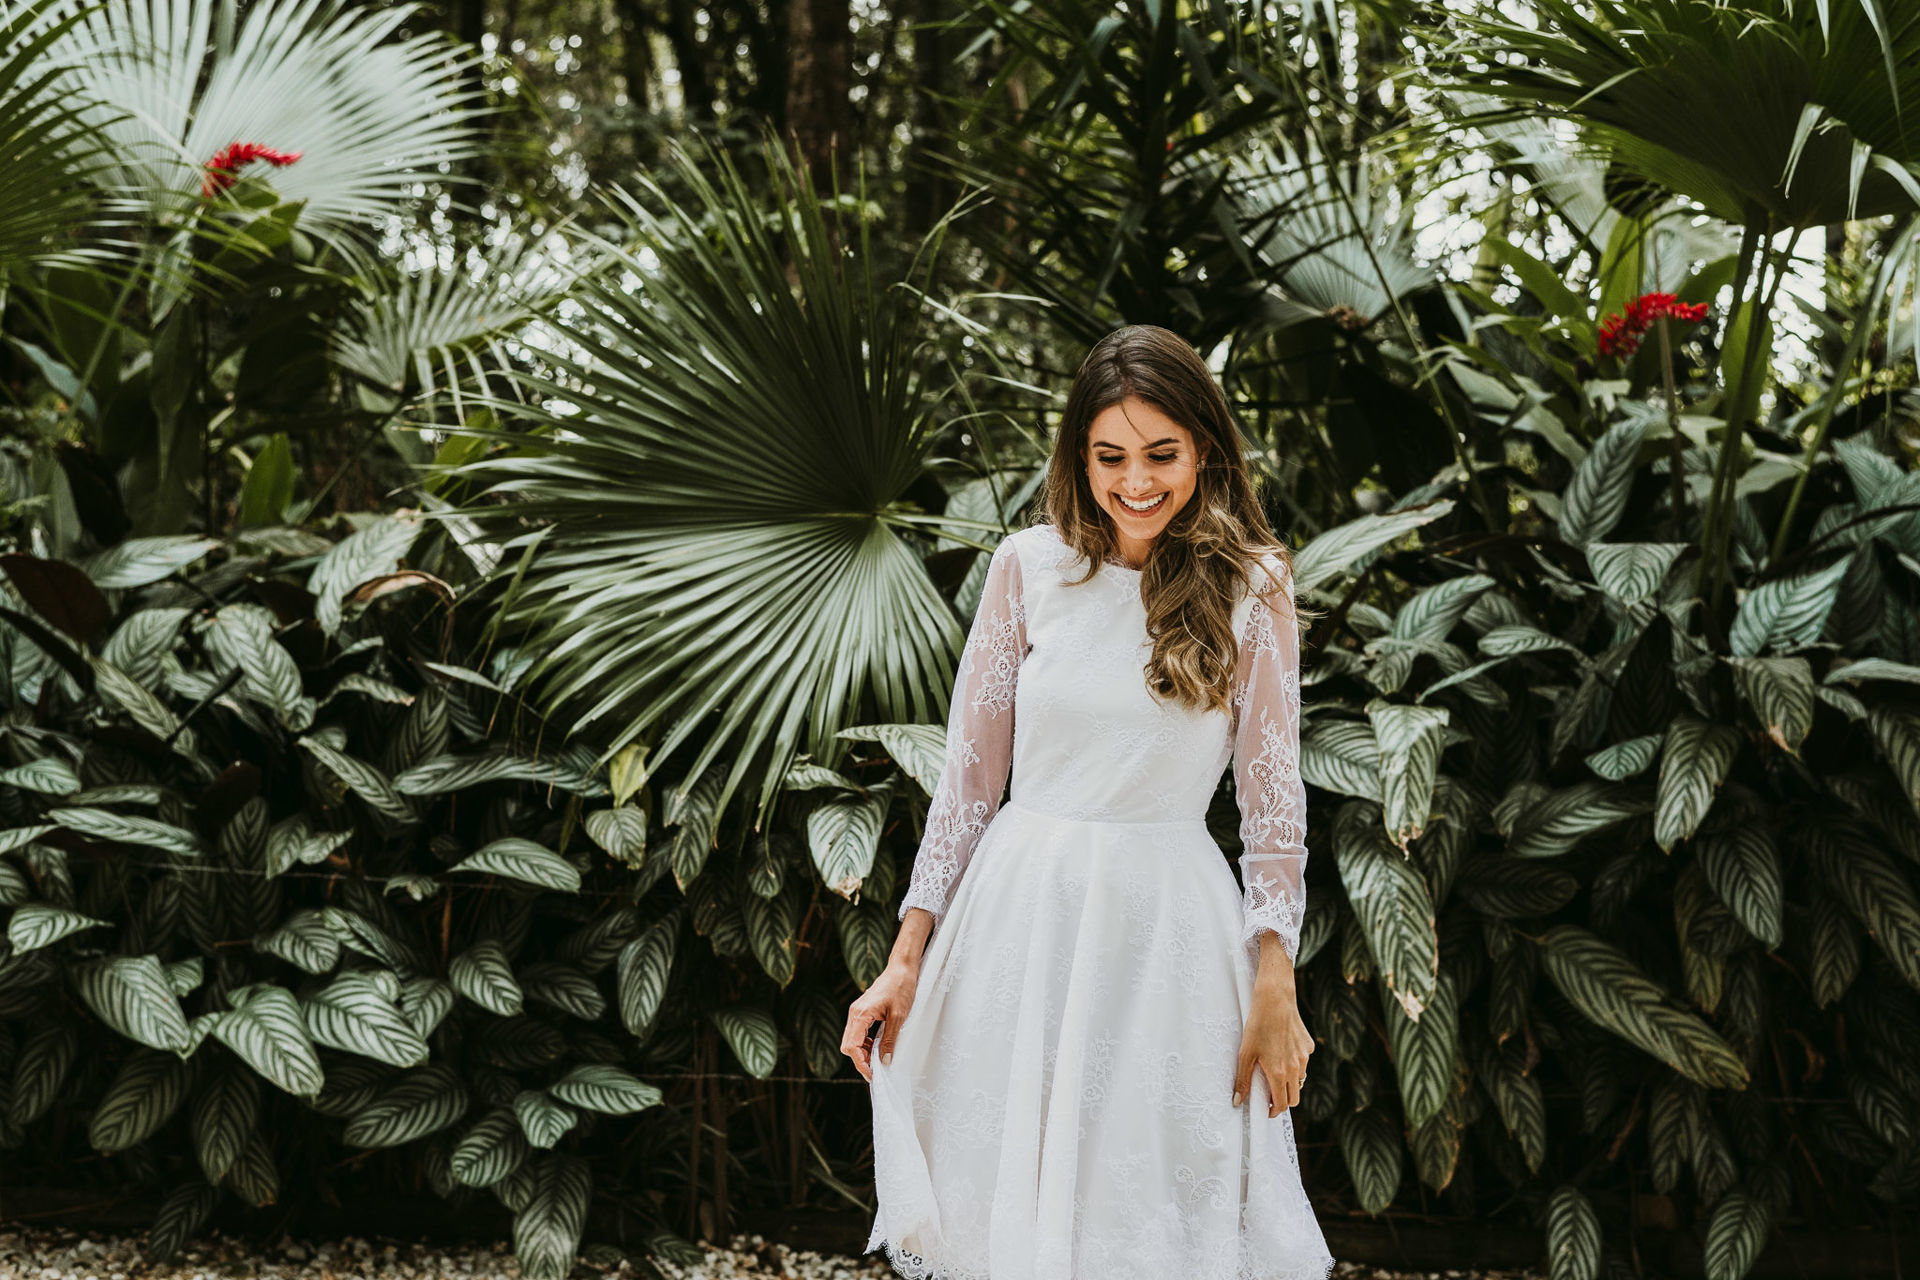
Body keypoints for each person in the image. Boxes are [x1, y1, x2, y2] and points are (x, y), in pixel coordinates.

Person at [841, 324, 1334, 1280]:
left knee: (1149, 1208)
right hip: (1020, 923)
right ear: (1078, 455)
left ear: (1204, 451)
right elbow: (969, 784)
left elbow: (1274, 806)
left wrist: (1277, 977)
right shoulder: (1028, 568)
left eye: (1162, 454)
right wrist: (906, 959)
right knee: (1013, 1205)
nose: (1136, 481)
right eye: (1109, 456)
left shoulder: (1252, 586)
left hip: (1169, 939)